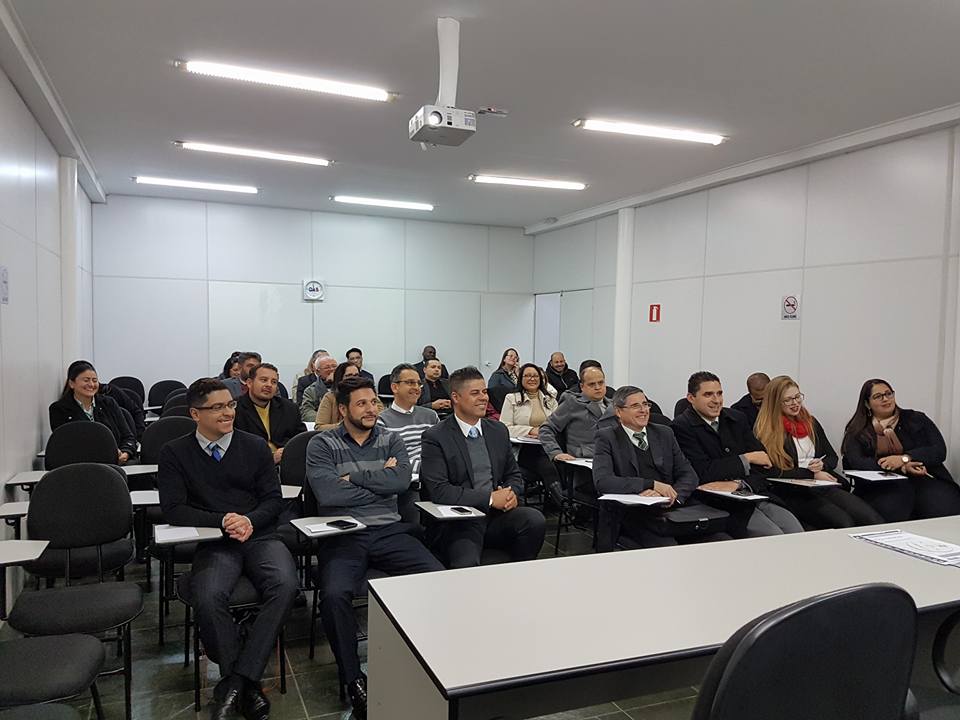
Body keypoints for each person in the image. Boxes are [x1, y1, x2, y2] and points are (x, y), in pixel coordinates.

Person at [157, 378, 297, 720]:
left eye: (231, 405)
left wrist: (248, 520)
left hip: (260, 535)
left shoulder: (254, 446)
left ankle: (235, 682)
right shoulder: (175, 452)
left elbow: (273, 500)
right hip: (216, 540)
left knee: (285, 585)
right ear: (195, 414)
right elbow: (173, 509)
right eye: (217, 407)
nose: (228, 412)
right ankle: (246, 683)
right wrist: (223, 521)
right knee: (207, 595)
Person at [306, 376, 443, 719]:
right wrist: (381, 480)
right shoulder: (322, 444)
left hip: (388, 530)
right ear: (343, 410)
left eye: (374, 403)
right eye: (362, 404)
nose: (371, 410)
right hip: (343, 534)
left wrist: (354, 478)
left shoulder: (390, 438)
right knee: (334, 595)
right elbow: (328, 494)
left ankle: (427, 660)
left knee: (438, 577)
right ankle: (354, 680)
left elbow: (401, 482)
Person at [420, 367, 546, 568]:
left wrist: (511, 494)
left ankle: (519, 576)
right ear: (455, 397)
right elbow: (439, 490)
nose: (483, 398)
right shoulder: (436, 437)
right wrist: (489, 498)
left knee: (534, 520)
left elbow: (513, 474)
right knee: (467, 563)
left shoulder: (497, 430)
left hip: (497, 516)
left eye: (485, 392)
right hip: (460, 521)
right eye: (475, 393)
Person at [593, 386, 731, 548]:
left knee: (722, 540)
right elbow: (603, 481)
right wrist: (651, 484)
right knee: (667, 548)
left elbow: (689, 474)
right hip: (634, 514)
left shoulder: (664, 433)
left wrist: (673, 495)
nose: (643, 410)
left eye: (645, 404)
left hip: (673, 510)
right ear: (618, 411)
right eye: (636, 406)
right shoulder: (607, 437)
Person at [672, 371, 804, 537]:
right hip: (719, 503)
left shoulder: (736, 419)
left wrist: (739, 483)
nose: (716, 400)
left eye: (719, 393)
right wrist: (747, 459)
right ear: (691, 398)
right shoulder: (680, 427)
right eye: (708, 394)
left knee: (796, 532)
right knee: (773, 535)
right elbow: (701, 472)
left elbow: (764, 464)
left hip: (754, 492)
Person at [754, 376, 883, 529]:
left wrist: (822, 464)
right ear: (775, 403)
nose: (795, 403)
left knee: (872, 519)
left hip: (821, 485)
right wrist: (811, 474)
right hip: (793, 492)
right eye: (788, 400)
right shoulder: (766, 431)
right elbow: (771, 472)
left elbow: (832, 457)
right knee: (844, 522)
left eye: (797, 397)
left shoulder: (811, 422)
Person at [842, 378, 960, 521]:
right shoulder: (857, 429)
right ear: (867, 403)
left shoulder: (916, 418)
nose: (885, 399)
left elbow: (939, 450)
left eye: (888, 394)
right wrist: (902, 467)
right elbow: (857, 462)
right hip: (881, 485)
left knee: (943, 507)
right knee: (893, 505)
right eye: (878, 396)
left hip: (924, 478)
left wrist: (905, 458)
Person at [498, 363, 564, 505]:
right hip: (523, 450)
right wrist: (530, 430)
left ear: (541, 378)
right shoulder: (511, 398)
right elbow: (504, 427)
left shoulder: (550, 400)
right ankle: (564, 505)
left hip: (547, 445)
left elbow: (559, 426)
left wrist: (544, 432)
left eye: (535, 376)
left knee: (561, 464)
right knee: (547, 465)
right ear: (521, 379)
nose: (532, 379)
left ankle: (558, 502)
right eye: (527, 376)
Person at [49, 360, 138, 464]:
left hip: (116, 462)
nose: (91, 384)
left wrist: (125, 454)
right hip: (80, 464)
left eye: (94, 380)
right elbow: (64, 444)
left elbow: (128, 436)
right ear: (72, 383)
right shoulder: (59, 409)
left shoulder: (109, 403)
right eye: (86, 380)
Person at [233, 363, 306, 465]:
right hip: (250, 465)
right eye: (264, 380)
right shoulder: (235, 410)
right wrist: (269, 458)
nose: (269, 385)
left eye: (274, 382)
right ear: (249, 383)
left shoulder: (289, 408)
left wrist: (288, 451)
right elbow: (235, 448)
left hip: (287, 462)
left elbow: (301, 439)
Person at [539, 365, 612, 462]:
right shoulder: (572, 403)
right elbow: (546, 428)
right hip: (583, 460)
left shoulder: (614, 406)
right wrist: (555, 453)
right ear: (582, 387)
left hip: (611, 459)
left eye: (601, 382)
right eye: (591, 384)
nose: (597, 387)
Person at [376, 364, 439, 473]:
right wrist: (430, 469)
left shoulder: (431, 416)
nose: (416, 388)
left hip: (438, 474)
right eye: (410, 383)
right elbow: (388, 461)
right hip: (409, 478)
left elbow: (443, 449)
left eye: (419, 383)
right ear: (395, 387)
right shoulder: (381, 421)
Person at [312, 362, 384, 429]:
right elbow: (319, 427)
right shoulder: (330, 397)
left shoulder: (369, 394)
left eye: (356, 375)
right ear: (340, 378)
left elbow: (381, 418)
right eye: (349, 376)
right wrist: (347, 426)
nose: (354, 379)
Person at [299, 355, 338, 422]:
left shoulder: (346, 386)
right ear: (318, 372)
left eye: (334, 366)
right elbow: (306, 411)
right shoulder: (311, 390)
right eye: (327, 367)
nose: (332, 369)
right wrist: (324, 419)